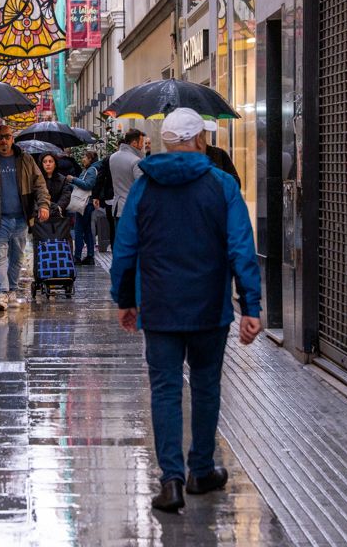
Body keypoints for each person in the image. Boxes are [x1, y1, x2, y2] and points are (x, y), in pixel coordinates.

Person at [109, 108, 262, 513]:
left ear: (165, 142)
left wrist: (125, 300)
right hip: (209, 307)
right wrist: (251, 305)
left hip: (159, 306)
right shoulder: (222, 184)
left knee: (165, 389)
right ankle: (201, 470)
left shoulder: (145, 186)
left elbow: (125, 249)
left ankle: (171, 481)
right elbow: (241, 248)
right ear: (200, 140)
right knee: (207, 386)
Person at [0, 125, 50, 312]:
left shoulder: (25, 159)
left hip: (21, 217)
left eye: (7, 137)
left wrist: (43, 205)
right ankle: (1, 293)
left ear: (12, 138)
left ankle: (12, 290)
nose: (3, 141)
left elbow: (39, 184)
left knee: (16, 258)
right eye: (0, 137)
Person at [108, 128, 146, 232]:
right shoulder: (136, 161)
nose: (142, 146)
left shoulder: (113, 157)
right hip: (131, 209)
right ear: (134, 143)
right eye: (141, 143)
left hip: (117, 207)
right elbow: (142, 187)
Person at [67, 151, 99, 264]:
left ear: (90, 159)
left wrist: (73, 179)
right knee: (87, 230)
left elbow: (88, 185)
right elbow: (80, 187)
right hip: (86, 204)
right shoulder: (87, 170)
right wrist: (70, 183)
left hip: (85, 204)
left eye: (85, 157)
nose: (83, 159)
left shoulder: (91, 170)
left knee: (79, 230)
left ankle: (77, 257)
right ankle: (90, 256)